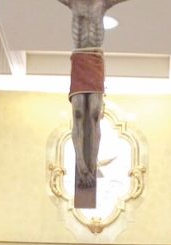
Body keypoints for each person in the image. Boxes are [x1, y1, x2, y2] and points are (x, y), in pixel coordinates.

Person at [56, 0, 130, 189]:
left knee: (95, 114)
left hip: (95, 58)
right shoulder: (73, 3)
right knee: (79, 112)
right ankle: (81, 165)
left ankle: (92, 163)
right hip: (80, 58)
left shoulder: (102, 3)